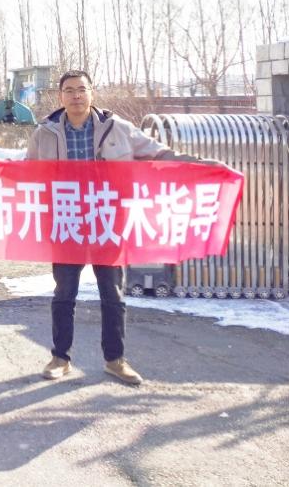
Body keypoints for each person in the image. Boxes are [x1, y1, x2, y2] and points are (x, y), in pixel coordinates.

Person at [27, 70, 211, 386]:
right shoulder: (44, 134)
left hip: (107, 221)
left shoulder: (118, 128)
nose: (76, 95)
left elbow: (159, 153)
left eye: (81, 89)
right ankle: (60, 358)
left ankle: (115, 360)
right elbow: (26, 173)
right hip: (67, 221)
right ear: (60, 96)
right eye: (69, 90)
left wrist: (199, 165)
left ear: (92, 93)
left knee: (112, 295)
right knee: (64, 294)